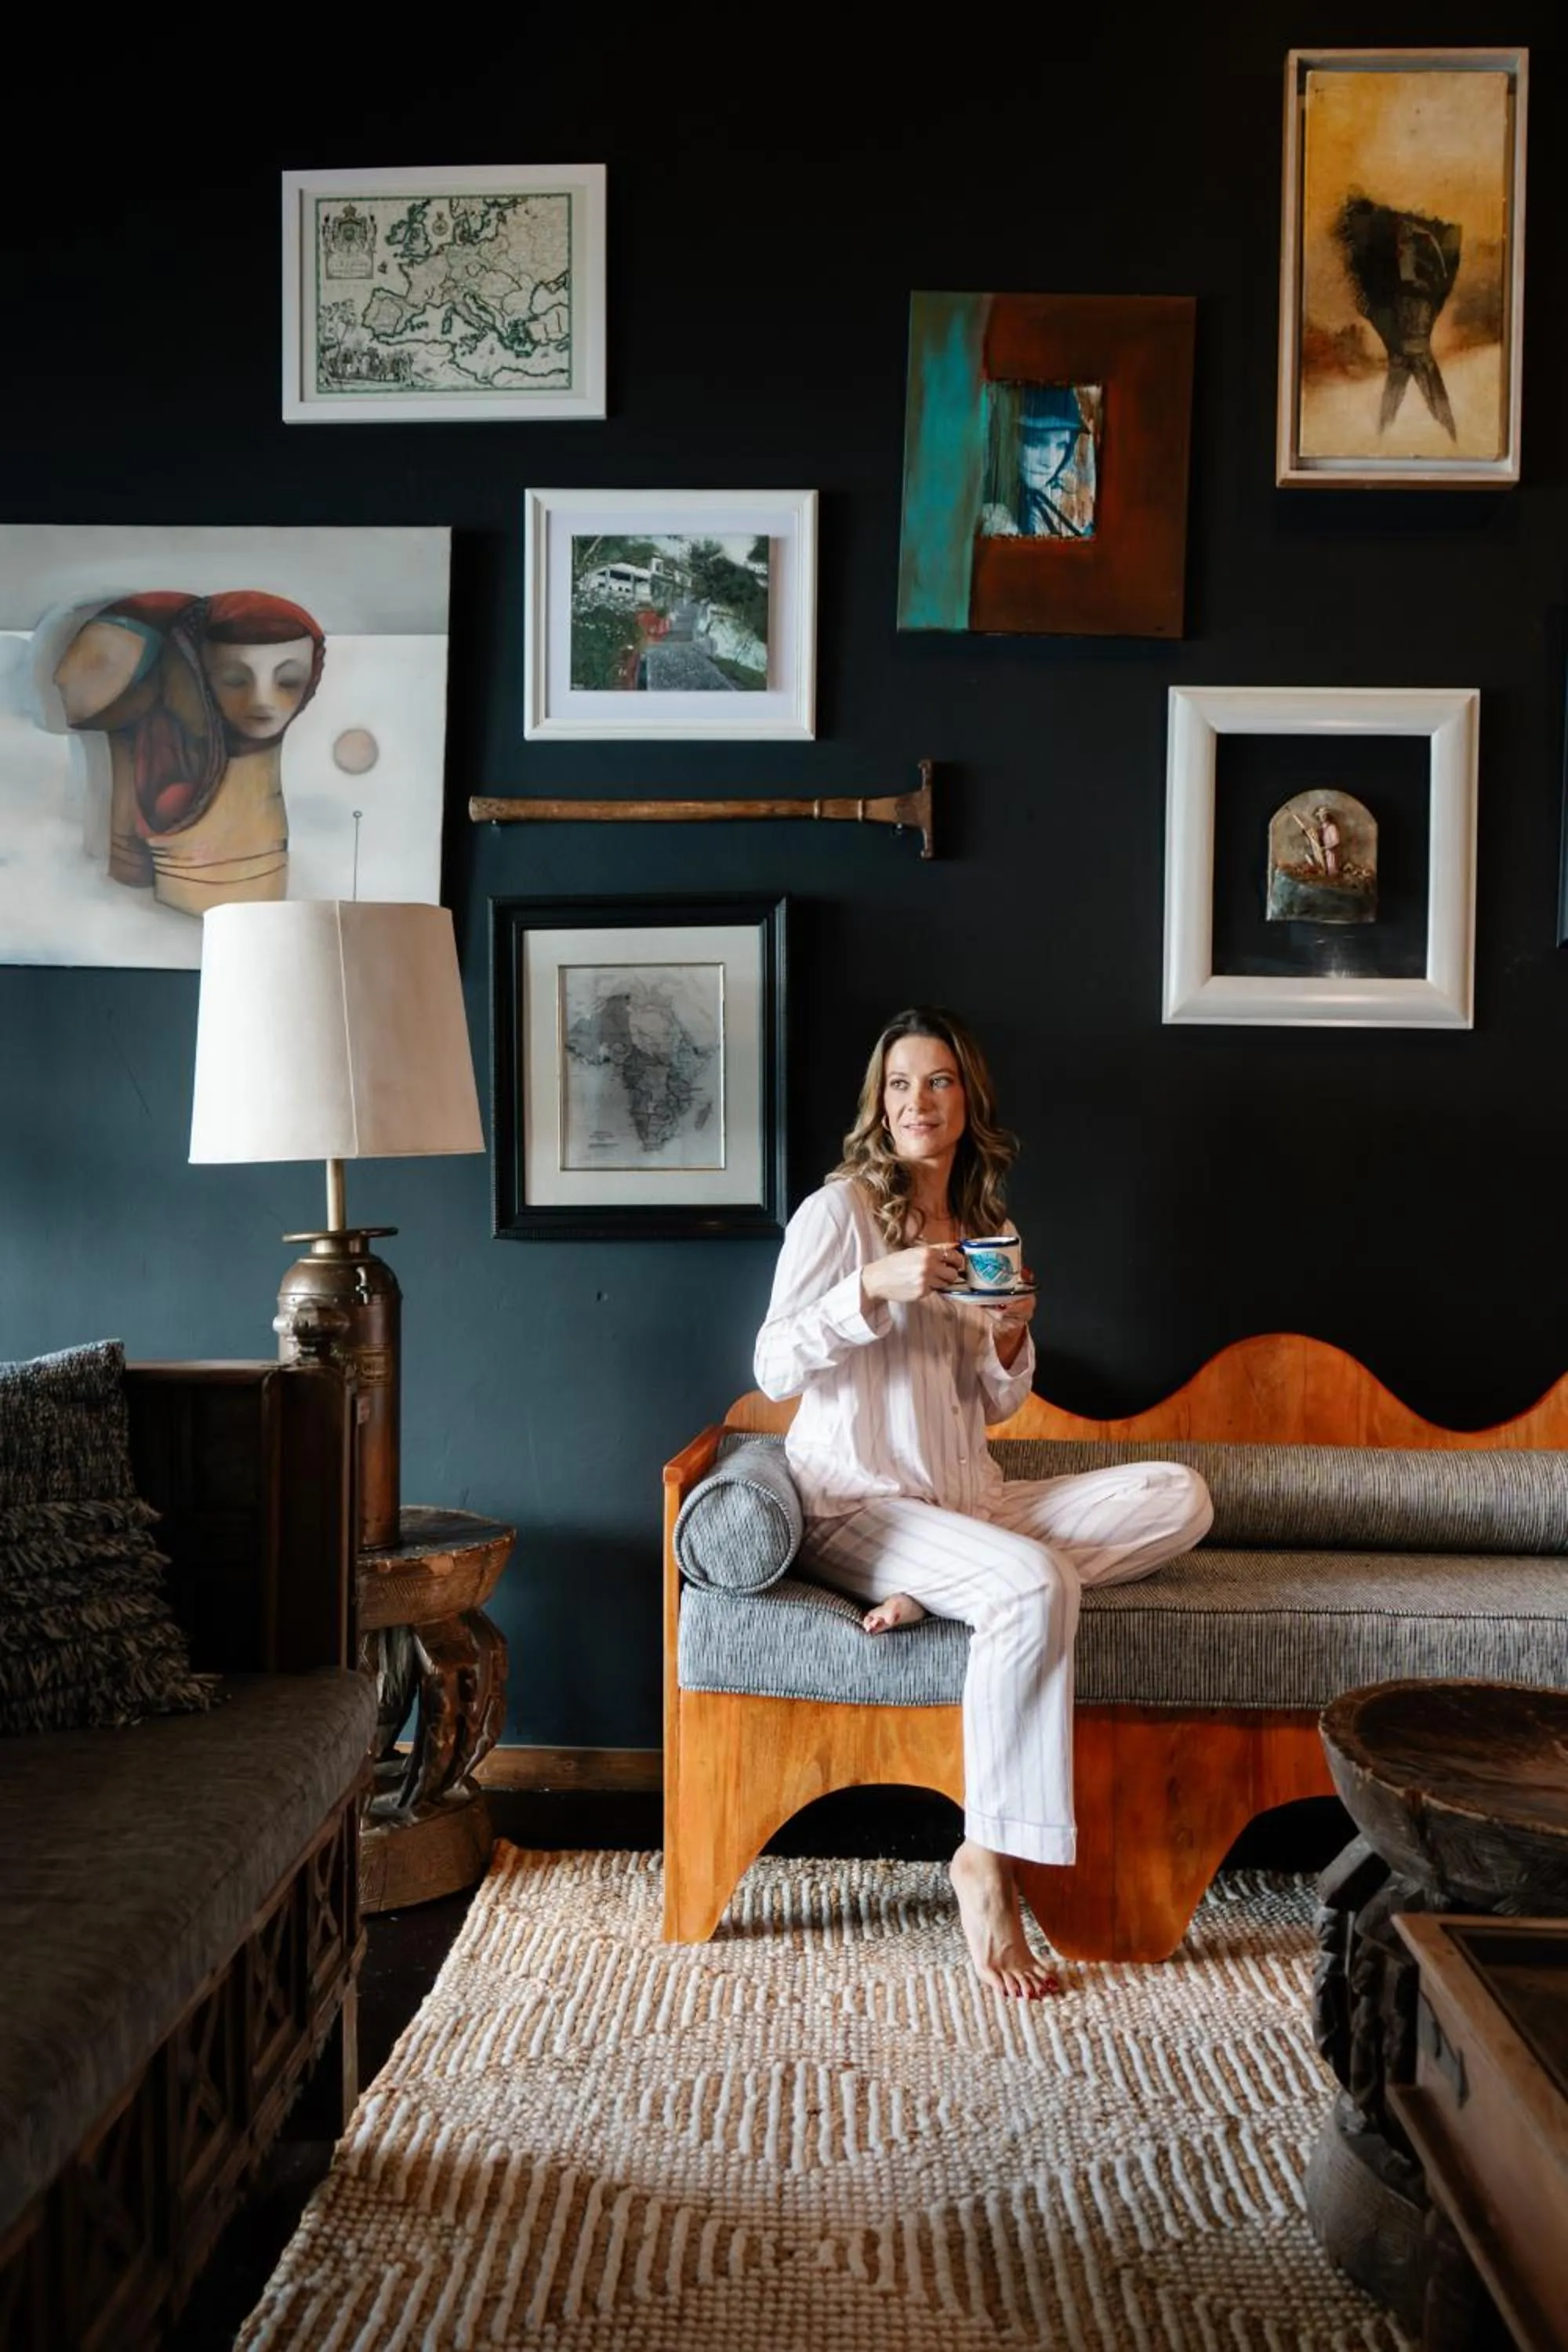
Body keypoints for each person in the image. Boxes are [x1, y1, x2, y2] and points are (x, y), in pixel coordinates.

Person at [753, 1007, 1213, 1999]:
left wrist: (1008, 1337)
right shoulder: (836, 1215)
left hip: (966, 1499)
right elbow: (772, 1363)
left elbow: (992, 1404)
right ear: (879, 1106)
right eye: (900, 1085)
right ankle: (987, 1860)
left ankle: (942, 1588)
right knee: (1031, 1586)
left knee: (1178, 1497)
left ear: (969, 1101)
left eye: (939, 1083)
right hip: (857, 1504)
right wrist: (871, 1286)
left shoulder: (988, 1228)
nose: (918, 1102)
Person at [51, 588, 325, 916]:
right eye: (235, 680)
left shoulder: (192, 760)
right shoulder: (159, 753)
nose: (262, 701)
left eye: (290, 681)